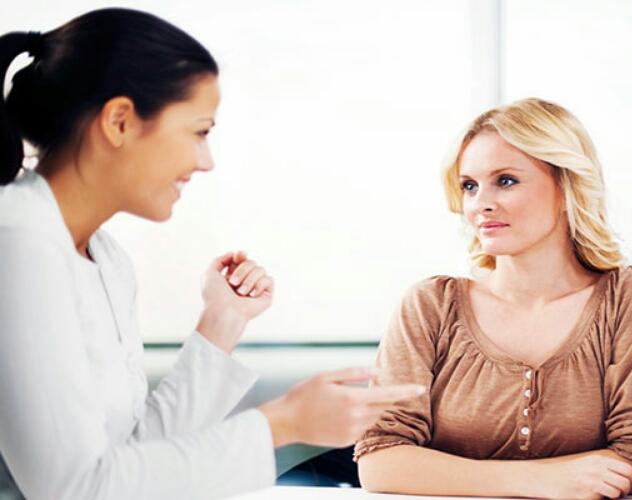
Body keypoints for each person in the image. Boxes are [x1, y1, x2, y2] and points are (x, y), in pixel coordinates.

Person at [0, 9, 422, 499]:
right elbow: (75, 489)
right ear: (119, 122)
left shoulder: (106, 259)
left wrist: (222, 320)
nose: (206, 161)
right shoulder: (18, 247)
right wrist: (281, 423)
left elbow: (134, 455)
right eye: (199, 131)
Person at [354, 97, 632, 499]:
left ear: (566, 186)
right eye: (469, 186)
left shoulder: (631, 299)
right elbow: (380, 460)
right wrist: (540, 480)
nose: (480, 204)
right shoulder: (430, 305)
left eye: (506, 181)